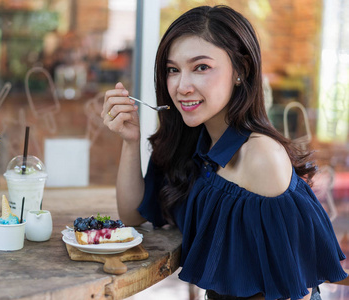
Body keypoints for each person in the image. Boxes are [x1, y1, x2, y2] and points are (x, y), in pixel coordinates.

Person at [101, 5, 347, 300]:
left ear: (240, 71)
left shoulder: (261, 157)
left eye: (201, 67)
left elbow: (298, 293)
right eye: (172, 70)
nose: (182, 86)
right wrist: (130, 141)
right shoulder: (192, 140)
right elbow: (132, 216)